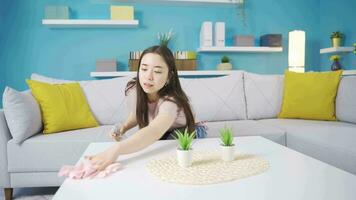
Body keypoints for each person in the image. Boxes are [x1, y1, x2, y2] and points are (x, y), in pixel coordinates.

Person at [85, 45, 206, 171]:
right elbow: (139, 112)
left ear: (169, 77)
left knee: (163, 154)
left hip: (186, 130)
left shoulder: (171, 102)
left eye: (157, 71)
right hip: (163, 131)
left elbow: (155, 130)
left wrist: (117, 149)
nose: (148, 76)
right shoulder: (136, 89)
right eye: (144, 69)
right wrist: (124, 127)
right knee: (148, 144)